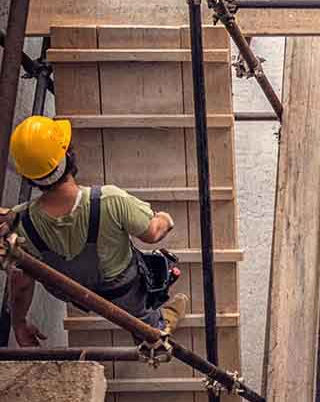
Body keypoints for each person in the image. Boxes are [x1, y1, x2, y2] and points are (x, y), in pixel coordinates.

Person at [3, 116, 188, 347]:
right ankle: (155, 329)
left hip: (74, 294)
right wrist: (165, 219)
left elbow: (21, 283)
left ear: (29, 176)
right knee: (141, 310)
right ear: (68, 156)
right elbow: (151, 234)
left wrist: (19, 324)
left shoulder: (20, 222)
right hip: (122, 292)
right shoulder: (110, 200)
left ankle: (147, 327)